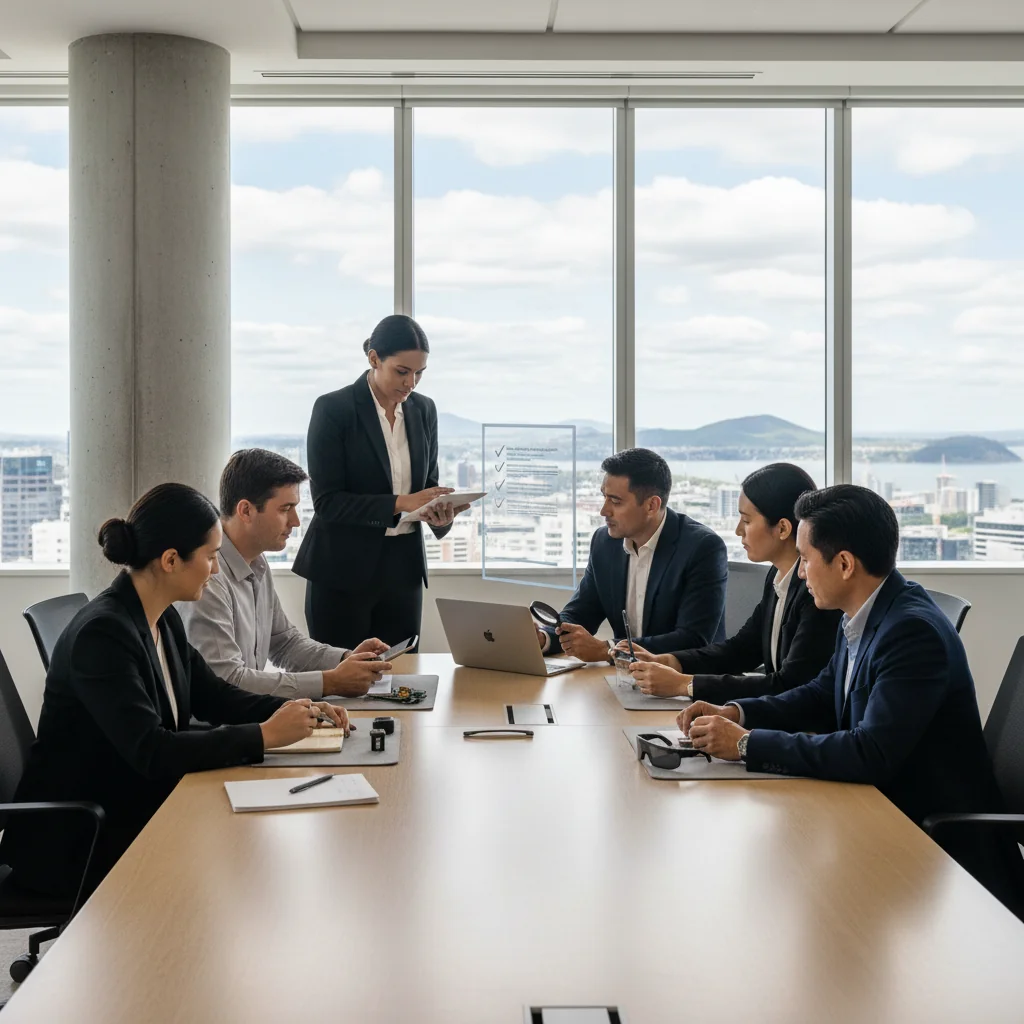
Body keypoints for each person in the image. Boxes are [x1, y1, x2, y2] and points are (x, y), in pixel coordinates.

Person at [677, 484, 1024, 910]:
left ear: (843, 564)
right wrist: (736, 712)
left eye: (804, 559)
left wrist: (745, 744)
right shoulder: (865, 613)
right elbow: (820, 695)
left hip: (932, 849)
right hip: (879, 815)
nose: (800, 574)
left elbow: (869, 751)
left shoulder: (911, 632)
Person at [0, 483, 349, 900]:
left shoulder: (161, 619)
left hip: (129, 802)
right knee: (250, 862)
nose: (216, 569)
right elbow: (152, 750)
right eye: (210, 556)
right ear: (170, 561)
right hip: (78, 836)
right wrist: (264, 736)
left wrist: (301, 709)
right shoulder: (104, 634)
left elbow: (216, 697)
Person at [293, 315, 471, 650]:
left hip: (403, 571)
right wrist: (401, 502)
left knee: (403, 683)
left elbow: (426, 486)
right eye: (402, 372)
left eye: (419, 373)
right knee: (344, 685)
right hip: (342, 571)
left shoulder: (423, 410)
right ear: (374, 359)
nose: (411, 383)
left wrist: (439, 513)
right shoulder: (334, 409)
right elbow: (328, 502)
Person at [178, 448, 392, 700]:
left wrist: (345, 659)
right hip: (217, 731)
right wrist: (330, 682)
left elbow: (284, 642)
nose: (296, 521)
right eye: (285, 509)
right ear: (246, 511)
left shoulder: (256, 561)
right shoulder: (209, 579)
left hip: (247, 719)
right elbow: (226, 681)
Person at [624, 463, 842, 702]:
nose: (738, 530)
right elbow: (742, 649)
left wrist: (685, 685)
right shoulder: (778, 575)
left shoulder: (816, 593)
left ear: (782, 528)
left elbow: (788, 684)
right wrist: (672, 661)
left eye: (746, 521)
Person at [538, 447, 727, 661]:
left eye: (616, 501)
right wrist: (543, 637)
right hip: (624, 679)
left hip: (685, 683)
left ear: (651, 505)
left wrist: (608, 650)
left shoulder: (702, 547)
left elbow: (693, 639)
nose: (604, 511)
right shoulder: (604, 542)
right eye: (604, 497)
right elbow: (581, 613)